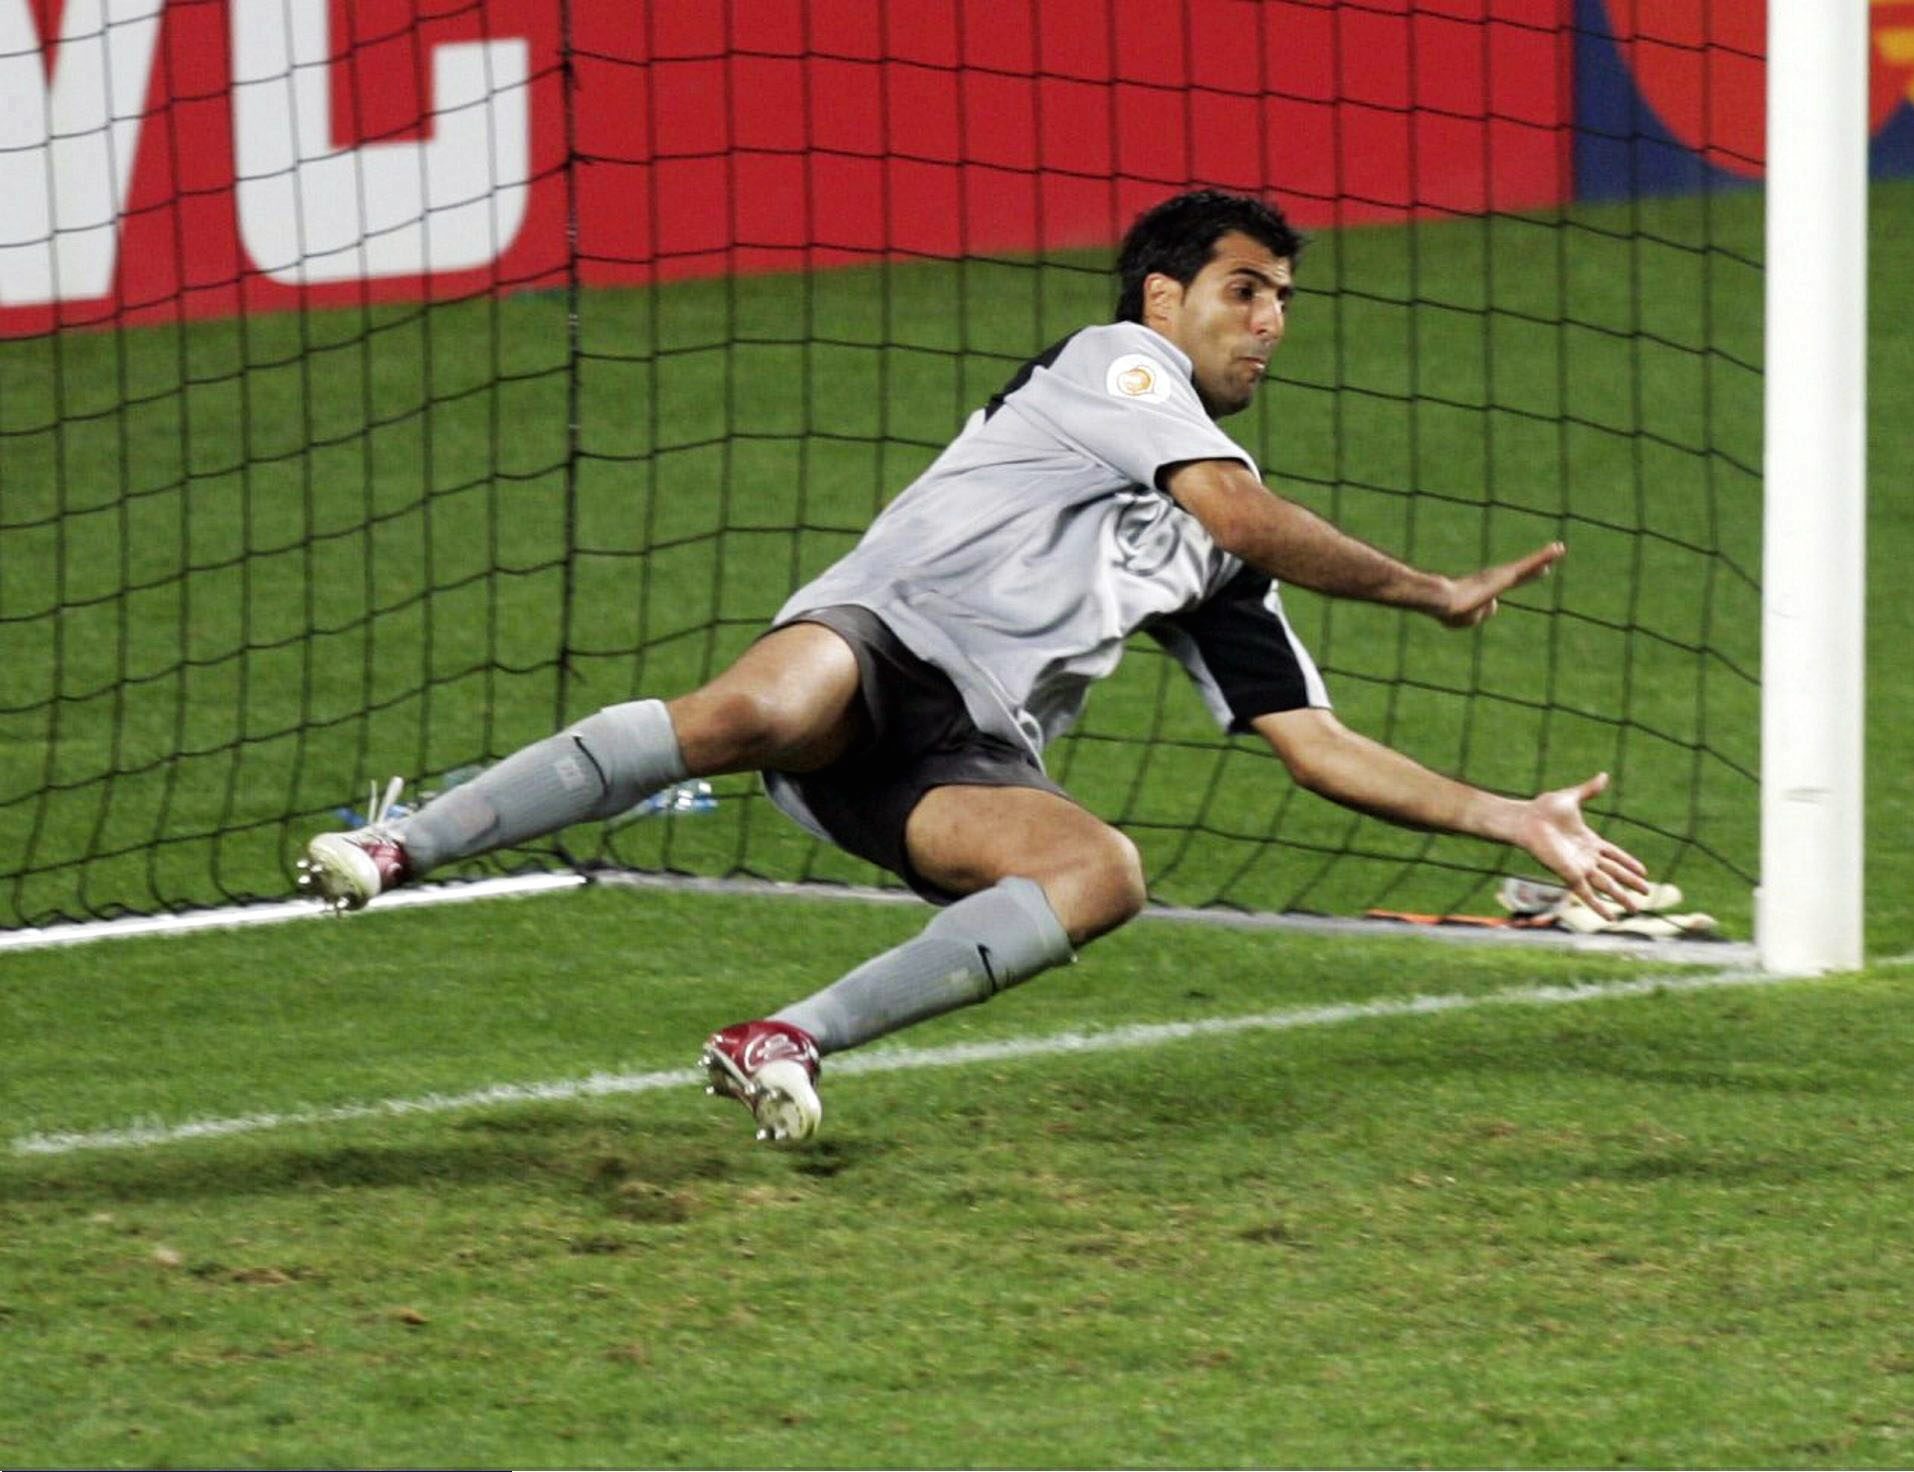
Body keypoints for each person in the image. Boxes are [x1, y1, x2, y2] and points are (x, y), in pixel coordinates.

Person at [298, 189, 1649, 1146]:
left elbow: (1309, 738)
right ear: (1164, 297)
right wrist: (1426, 589)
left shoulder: (1211, 555)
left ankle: (780, 1043)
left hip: (957, 757)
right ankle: (403, 842)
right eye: (1247, 290)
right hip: (874, 649)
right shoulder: (1112, 366)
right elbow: (1243, 512)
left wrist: (1508, 816)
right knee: (766, 704)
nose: (1270, 320)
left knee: (1100, 872)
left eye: (1284, 299)